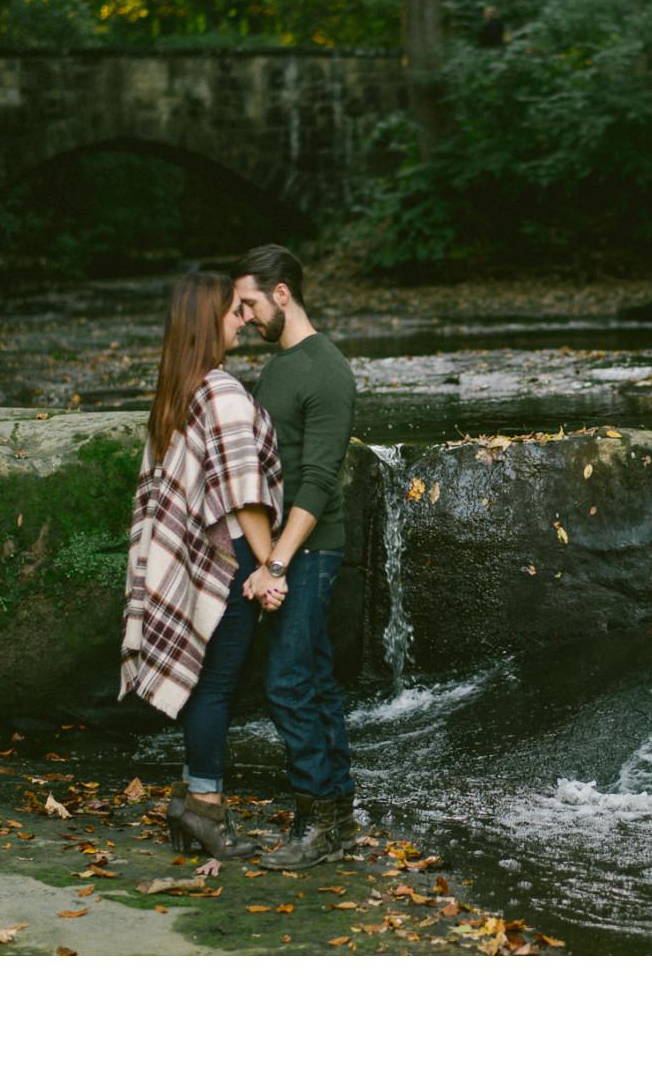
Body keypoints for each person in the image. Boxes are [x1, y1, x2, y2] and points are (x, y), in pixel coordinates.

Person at [119, 269, 288, 863]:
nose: (241, 317)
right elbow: (242, 493)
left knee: (205, 682)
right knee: (216, 684)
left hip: (196, 554)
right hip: (229, 553)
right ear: (206, 320)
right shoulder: (219, 390)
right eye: (231, 310)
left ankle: (193, 804)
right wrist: (272, 565)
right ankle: (204, 809)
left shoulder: (177, 388)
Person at [231, 244, 360, 869]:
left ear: (282, 294)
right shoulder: (277, 367)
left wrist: (276, 562)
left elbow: (319, 480)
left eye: (250, 303)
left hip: (309, 550)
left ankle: (316, 821)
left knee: (285, 681)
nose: (245, 316)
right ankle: (339, 814)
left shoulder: (327, 371)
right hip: (281, 548)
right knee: (312, 675)